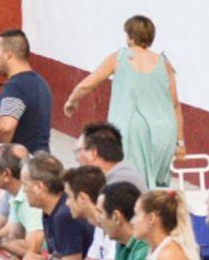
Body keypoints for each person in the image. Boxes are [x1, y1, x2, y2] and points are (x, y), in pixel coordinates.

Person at [63, 15, 185, 187]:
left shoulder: (120, 57)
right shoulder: (164, 63)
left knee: (129, 184)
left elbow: (88, 84)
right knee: (156, 186)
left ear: (131, 37)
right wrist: (180, 142)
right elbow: (175, 104)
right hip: (163, 131)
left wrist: (72, 100)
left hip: (132, 129)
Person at [20, 153, 95, 260]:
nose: (24, 191)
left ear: (39, 186)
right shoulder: (50, 211)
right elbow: (56, 254)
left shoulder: (65, 215)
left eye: (25, 185)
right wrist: (44, 259)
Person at [0, 29, 52, 153]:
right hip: (39, 158)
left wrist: (1, 154)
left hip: (21, 161)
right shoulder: (40, 82)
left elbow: (5, 128)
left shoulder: (17, 87)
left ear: (8, 55)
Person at [131, 190, 199, 260]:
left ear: (151, 218)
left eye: (136, 214)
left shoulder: (168, 256)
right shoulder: (157, 250)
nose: (132, 222)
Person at [75, 122, 147, 190]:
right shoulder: (124, 176)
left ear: (93, 153)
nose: (76, 158)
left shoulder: (119, 185)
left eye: (78, 151)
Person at [98, 182, 151, 260]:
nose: (98, 219)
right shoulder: (121, 243)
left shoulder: (143, 245)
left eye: (100, 213)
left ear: (116, 217)